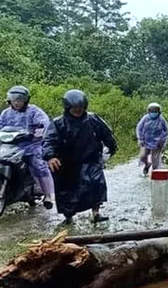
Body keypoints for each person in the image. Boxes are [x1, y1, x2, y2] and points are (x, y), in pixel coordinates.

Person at [42, 89, 118, 223]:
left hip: (91, 159)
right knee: (66, 191)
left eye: (81, 107)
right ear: (67, 107)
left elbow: (107, 135)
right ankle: (68, 217)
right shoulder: (58, 123)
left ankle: (96, 213)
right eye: (75, 108)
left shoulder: (93, 119)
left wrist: (111, 148)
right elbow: (49, 141)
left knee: (96, 185)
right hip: (66, 163)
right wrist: (50, 156)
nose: (78, 110)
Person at [0, 86, 55, 209]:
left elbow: (44, 123)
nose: (17, 102)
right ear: (9, 100)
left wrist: (36, 132)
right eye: (14, 100)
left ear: (26, 100)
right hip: (10, 146)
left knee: (38, 164)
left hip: (31, 146)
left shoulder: (34, 111)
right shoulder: (5, 113)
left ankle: (48, 195)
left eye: (20, 99)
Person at [136, 102, 168, 176]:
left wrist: (163, 141)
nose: (153, 112)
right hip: (145, 141)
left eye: (155, 111)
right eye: (152, 111)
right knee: (143, 156)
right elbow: (139, 128)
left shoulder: (161, 120)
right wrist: (140, 138)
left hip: (157, 143)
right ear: (149, 111)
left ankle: (155, 175)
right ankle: (147, 165)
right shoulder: (145, 118)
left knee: (155, 161)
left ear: (159, 111)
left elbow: (166, 131)